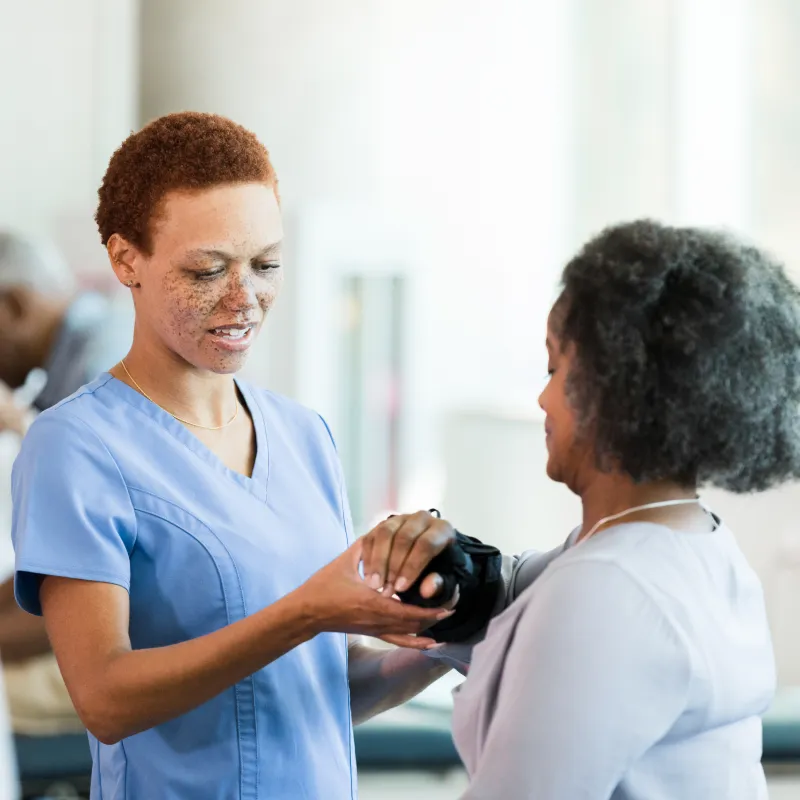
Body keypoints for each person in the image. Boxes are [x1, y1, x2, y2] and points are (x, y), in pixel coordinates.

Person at [10, 112, 458, 800]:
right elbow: (104, 699)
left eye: (266, 264)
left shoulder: (305, 435)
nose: (245, 298)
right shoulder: (77, 447)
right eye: (208, 268)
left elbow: (319, 691)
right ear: (126, 258)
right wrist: (309, 610)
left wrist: (448, 639)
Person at [362, 220, 800, 799]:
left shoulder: (607, 588)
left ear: (614, 387)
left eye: (554, 368)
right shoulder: (694, 541)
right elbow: (514, 588)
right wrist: (451, 571)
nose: (542, 398)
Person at [0, 231, 132, 735]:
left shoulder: (103, 359)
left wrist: (23, 430)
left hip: (136, 644)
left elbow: (97, 570)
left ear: (12, 306)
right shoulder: (83, 354)